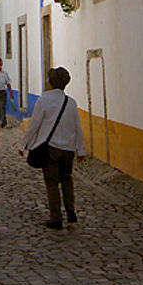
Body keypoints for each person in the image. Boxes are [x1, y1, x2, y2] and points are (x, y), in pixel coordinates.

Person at [20, 66, 86, 230]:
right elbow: (77, 127)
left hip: (51, 148)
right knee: (66, 178)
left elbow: (34, 125)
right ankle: (71, 212)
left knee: (51, 183)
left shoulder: (44, 100)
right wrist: (81, 150)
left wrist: (23, 144)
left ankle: (56, 218)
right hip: (68, 149)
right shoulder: (71, 102)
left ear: (51, 83)